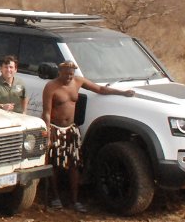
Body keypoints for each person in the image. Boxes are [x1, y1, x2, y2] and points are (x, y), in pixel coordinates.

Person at [42, 60, 135, 212]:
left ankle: (75, 200)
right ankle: (55, 197)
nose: (69, 77)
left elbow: (100, 89)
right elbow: (46, 112)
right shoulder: (51, 86)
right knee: (55, 164)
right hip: (55, 129)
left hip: (71, 130)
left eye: (71, 74)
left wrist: (122, 93)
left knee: (74, 165)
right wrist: (47, 133)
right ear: (60, 72)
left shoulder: (78, 81)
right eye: (66, 74)